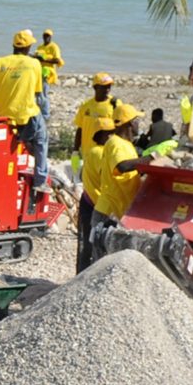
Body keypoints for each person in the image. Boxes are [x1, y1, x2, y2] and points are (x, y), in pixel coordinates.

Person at [0, 30, 49, 192]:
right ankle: (40, 180)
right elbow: (38, 94)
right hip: (26, 115)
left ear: (14, 45)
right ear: (28, 47)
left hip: (3, 115)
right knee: (42, 139)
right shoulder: (34, 63)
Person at [81, 108, 144, 266]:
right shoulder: (115, 143)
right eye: (137, 120)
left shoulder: (126, 145)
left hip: (117, 210)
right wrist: (151, 158)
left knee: (108, 262)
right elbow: (122, 166)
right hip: (109, 212)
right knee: (102, 263)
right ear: (128, 123)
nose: (139, 123)